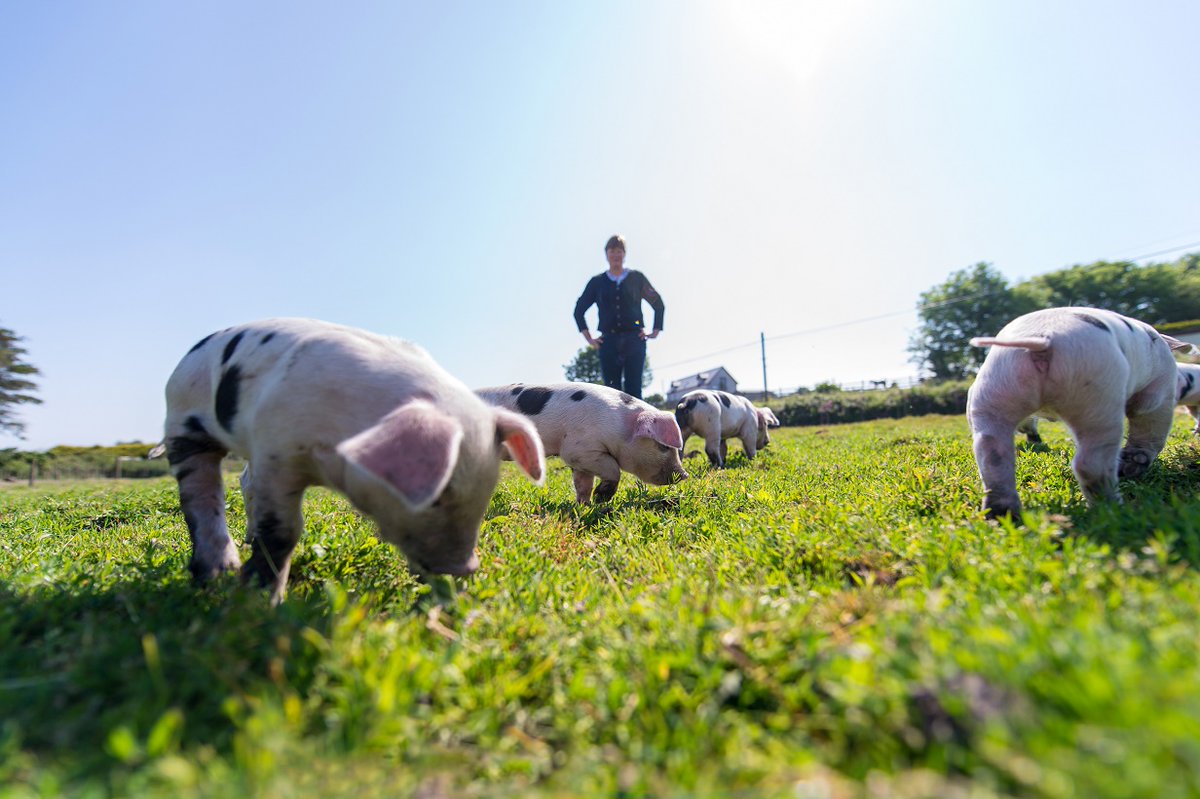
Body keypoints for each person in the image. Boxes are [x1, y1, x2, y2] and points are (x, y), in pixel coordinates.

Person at [573, 234, 665, 399]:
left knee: (634, 391)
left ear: (624, 254)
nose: (616, 255)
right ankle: (614, 426)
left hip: (634, 340)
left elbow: (658, 304)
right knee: (611, 393)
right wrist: (590, 339)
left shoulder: (637, 278)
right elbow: (579, 310)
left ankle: (637, 425)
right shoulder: (597, 282)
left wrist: (655, 331)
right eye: (612, 251)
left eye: (619, 251)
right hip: (608, 342)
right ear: (606, 254)